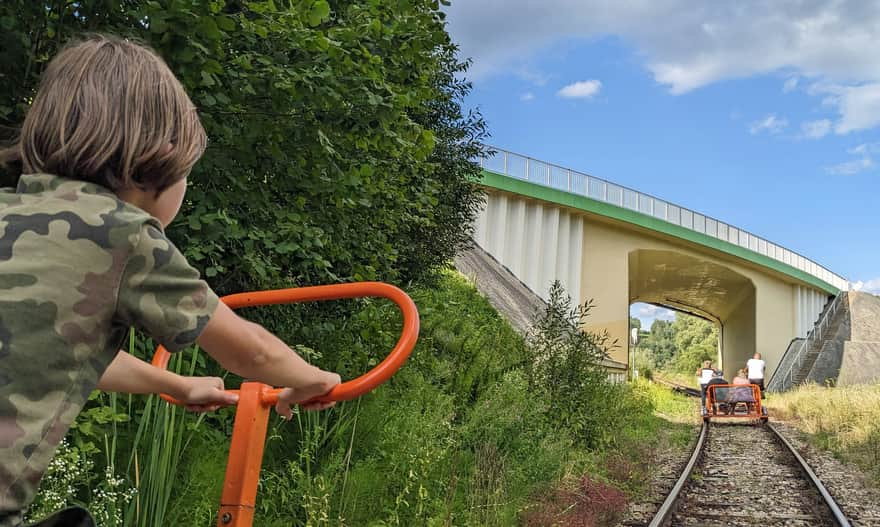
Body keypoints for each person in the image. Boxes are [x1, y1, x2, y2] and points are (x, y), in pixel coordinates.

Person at [0, 35, 341, 527]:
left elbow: (65, 351)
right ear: (159, 157)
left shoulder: (11, 212)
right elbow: (249, 352)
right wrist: (310, 377)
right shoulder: (122, 235)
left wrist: (177, 385)